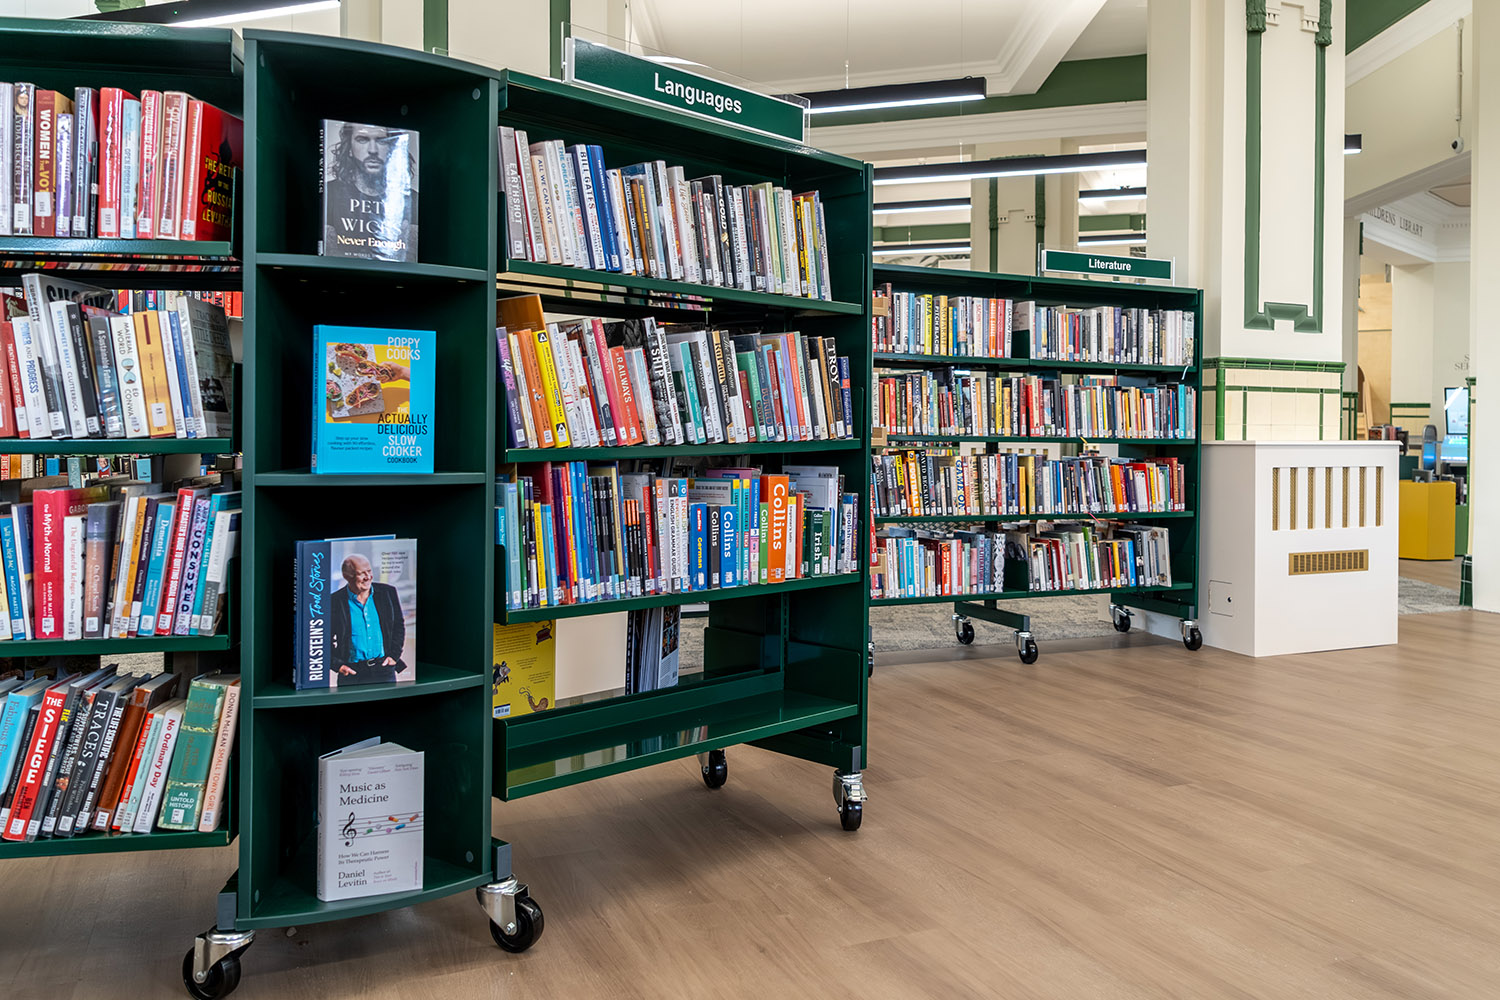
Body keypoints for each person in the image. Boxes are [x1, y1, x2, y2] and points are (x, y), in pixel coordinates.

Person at [322, 121, 418, 260]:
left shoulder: (412, 201)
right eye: (362, 139)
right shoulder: (328, 195)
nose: (372, 150)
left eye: (381, 141)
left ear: (393, 147)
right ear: (349, 148)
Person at [329, 553, 409, 685]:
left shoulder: (388, 593)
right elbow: (324, 638)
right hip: (351, 673)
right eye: (361, 573)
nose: (368, 577)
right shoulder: (334, 601)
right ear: (347, 576)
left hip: (384, 668)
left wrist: (394, 656)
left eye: (369, 571)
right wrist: (337, 665)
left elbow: (398, 626)